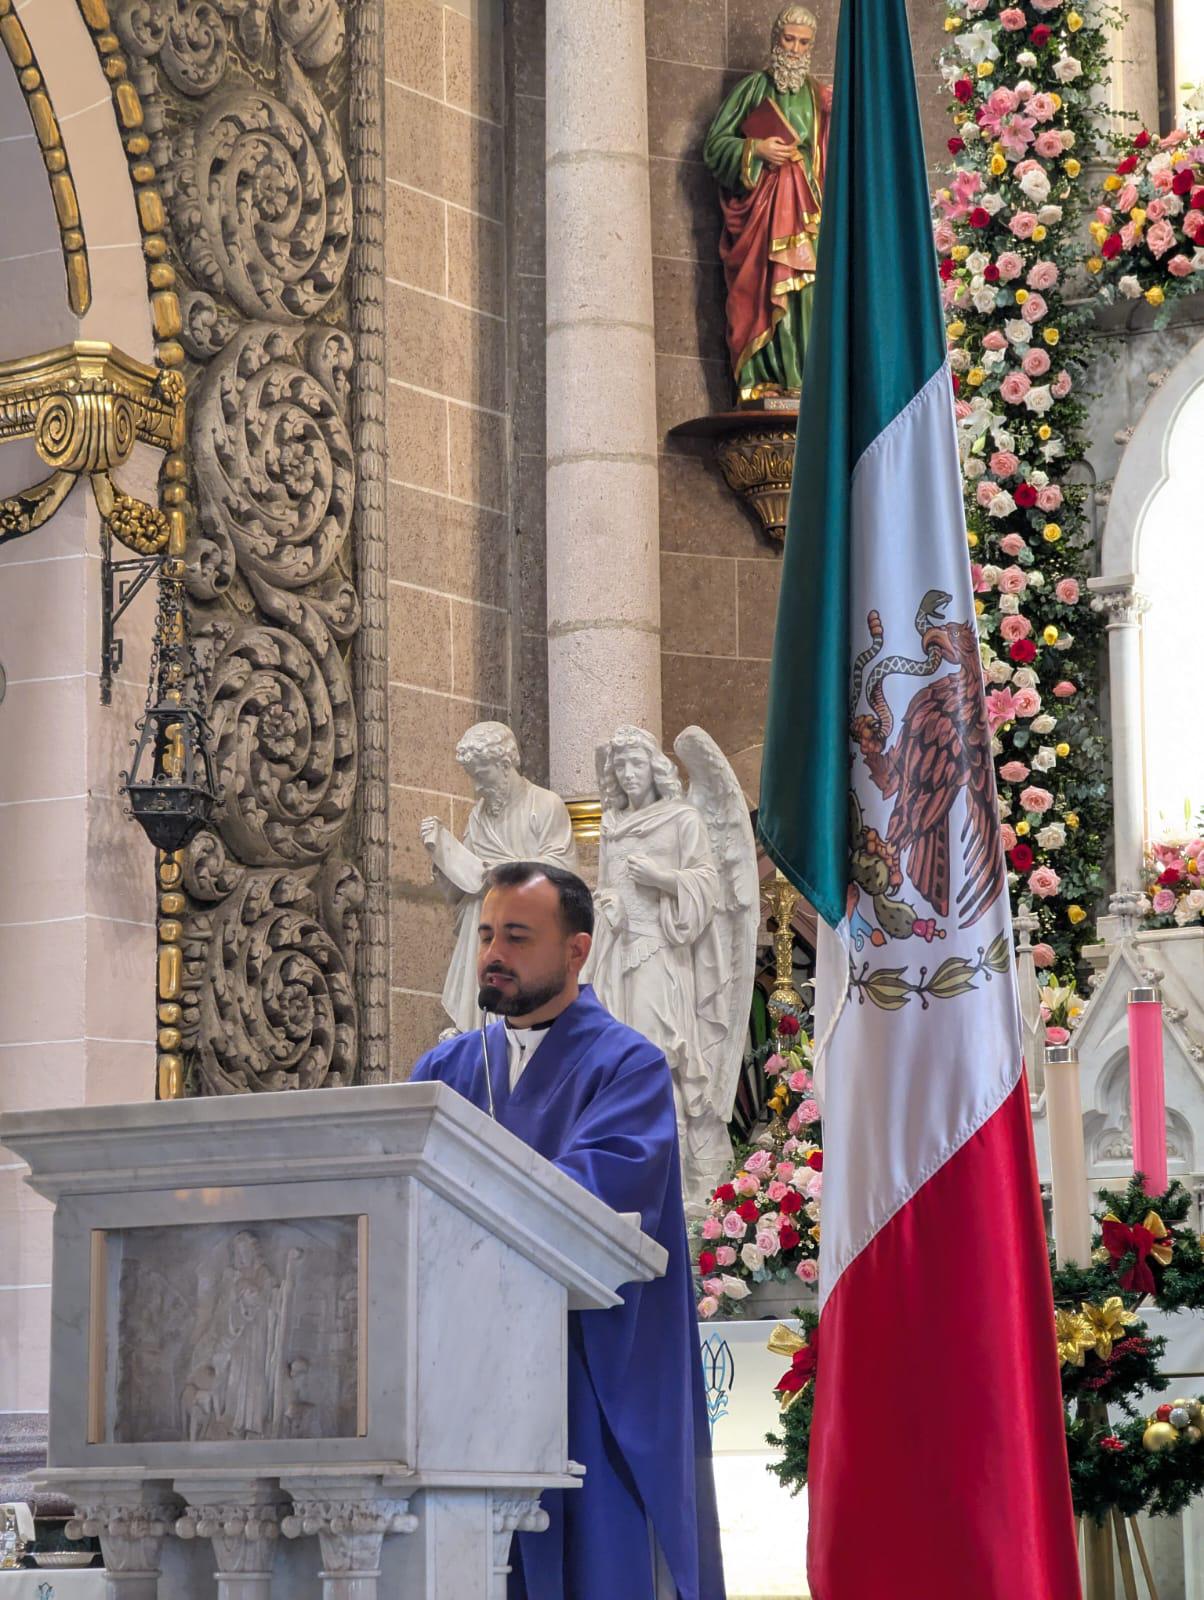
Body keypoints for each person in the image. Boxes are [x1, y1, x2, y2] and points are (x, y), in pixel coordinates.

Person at [409, 861, 725, 1600]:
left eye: (517, 937)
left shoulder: (628, 1066)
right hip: (458, 1379)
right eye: (487, 934)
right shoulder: (445, 1069)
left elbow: (588, 1198)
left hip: (584, 1374)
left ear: (578, 949)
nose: (494, 954)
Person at [703, 4, 831, 403]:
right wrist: (756, 149)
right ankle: (762, 377)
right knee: (761, 288)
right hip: (761, 216)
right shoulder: (752, 90)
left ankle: (804, 382)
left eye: (803, 43)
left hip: (807, 213)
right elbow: (714, 147)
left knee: (805, 294)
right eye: (789, 40)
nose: (795, 50)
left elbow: (838, 157)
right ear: (776, 40)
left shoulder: (818, 97)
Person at [419, 722, 577, 1033]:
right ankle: (475, 1031)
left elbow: (564, 870)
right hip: (484, 920)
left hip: (527, 922)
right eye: (473, 778)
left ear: (505, 764)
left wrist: (505, 871)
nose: (477, 787)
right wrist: (441, 856)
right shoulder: (479, 816)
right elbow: (463, 887)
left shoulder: (545, 805)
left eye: (482, 775)